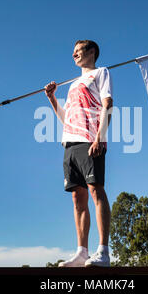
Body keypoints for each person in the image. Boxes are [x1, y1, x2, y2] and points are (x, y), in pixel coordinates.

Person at [44, 40, 113, 267]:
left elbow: (108, 105)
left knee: (96, 190)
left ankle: (103, 251)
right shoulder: (73, 84)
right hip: (70, 144)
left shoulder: (100, 73)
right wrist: (53, 99)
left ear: (91, 52)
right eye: (73, 50)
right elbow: (67, 120)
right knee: (77, 199)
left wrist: (99, 138)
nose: (74, 53)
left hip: (90, 141)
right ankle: (82, 252)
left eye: (78, 49)